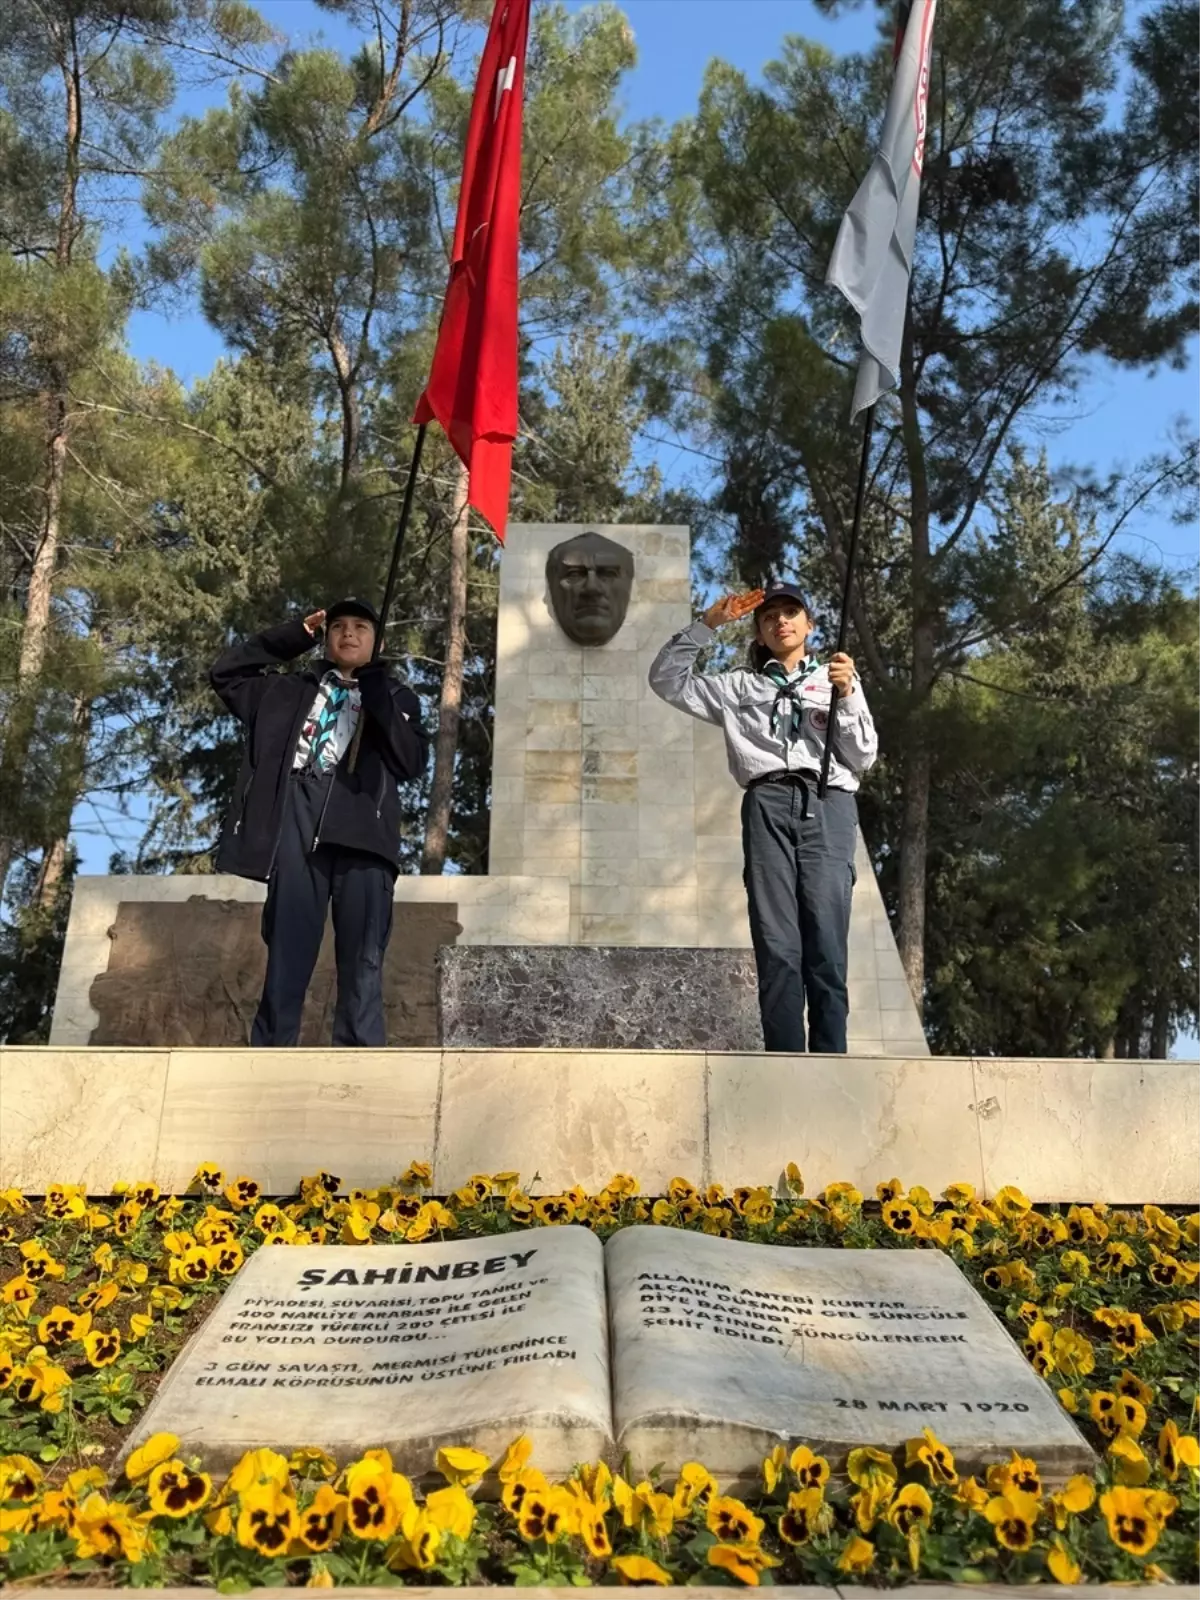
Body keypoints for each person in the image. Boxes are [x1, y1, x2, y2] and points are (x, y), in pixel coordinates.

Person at [648, 580, 878, 1054]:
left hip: (828, 802)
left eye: (791, 612)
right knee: (777, 943)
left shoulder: (836, 678)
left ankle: (832, 1060)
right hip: (767, 802)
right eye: (769, 616)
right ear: (758, 631)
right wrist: (709, 624)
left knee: (827, 942)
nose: (781, 622)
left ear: (809, 625)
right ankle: (786, 1062)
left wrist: (850, 694)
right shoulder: (739, 686)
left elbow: (864, 756)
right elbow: (665, 680)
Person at [210, 598, 428, 1048]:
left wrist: (376, 688)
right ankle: (269, 1054)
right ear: (326, 638)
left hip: (363, 830)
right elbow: (226, 674)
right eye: (339, 627)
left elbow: (410, 762)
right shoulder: (285, 691)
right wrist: (293, 635)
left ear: (378, 641)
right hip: (295, 818)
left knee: (363, 957)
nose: (349, 634)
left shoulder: (399, 698)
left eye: (362, 627)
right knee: (287, 949)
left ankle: (359, 1056)